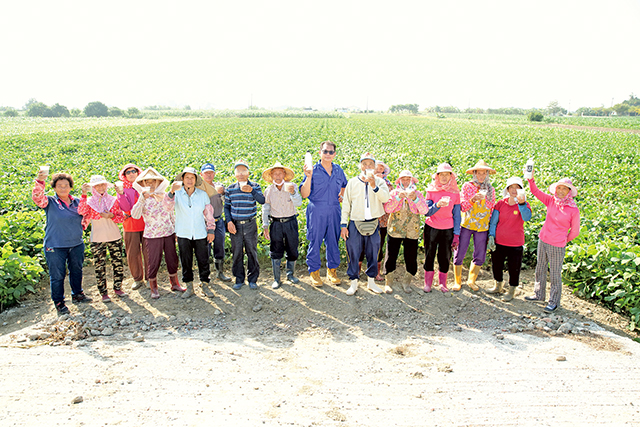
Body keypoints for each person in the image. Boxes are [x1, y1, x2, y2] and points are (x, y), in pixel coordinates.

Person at [32, 169, 92, 315]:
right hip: (55, 245)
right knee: (57, 275)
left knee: (76, 270)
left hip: (76, 243)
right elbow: (37, 198)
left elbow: (87, 214)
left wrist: (81, 227)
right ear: (54, 187)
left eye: (66, 185)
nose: (63, 188)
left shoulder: (78, 201)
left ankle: (78, 294)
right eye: (60, 185)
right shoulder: (50, 202)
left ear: (71, 187)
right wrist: (40, 181)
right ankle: (59, 302)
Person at [524, 172, 580, 312]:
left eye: (564, 189)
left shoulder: (573, 209)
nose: (560, 191)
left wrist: (563, 240)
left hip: (557, 245)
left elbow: (575, 231)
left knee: (555, 273)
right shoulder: (551, 201)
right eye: (559, 188)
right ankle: (539, 294)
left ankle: (554, 301)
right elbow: (535, 192)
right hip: (543, 240)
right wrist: (530, 179)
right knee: (540, 268)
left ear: (569, 192)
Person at [131, 168, 185, 299]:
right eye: (147, 182)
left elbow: (171, 213)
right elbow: (135, 215)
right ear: (142, 184)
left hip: (168, 231)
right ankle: (153, 287)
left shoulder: (165, 195)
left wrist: (175, 229)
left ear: (158, 182)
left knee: (172, 258)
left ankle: (175, 283)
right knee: (153, 261)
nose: (150, 184)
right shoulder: (142, 199)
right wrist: (142, 200)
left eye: (153, 181)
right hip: (152, 234)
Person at [340, 153, 390, 295]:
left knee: (373, 253)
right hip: (355, 223)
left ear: (374, 167)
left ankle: (371, 283)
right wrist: (344, 225)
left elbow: (385, 198)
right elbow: (346, 205)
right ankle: (354, 283)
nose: (367, 167)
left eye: (370, 164)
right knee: (353, 253)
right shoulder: (352, 182)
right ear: (360, 166)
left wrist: (374, 186)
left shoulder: (380, 182)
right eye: (365, 164)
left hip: (374, 223)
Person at [300, 141, 348, 287]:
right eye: (325, 151)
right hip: (316, 210)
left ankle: (331, 270)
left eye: (330, 152)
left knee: (333, 240)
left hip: (334, 209)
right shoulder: (312, 169)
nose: (328, 154)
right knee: (315, 240)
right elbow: (304, 194)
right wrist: (308, 177)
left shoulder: (339, 170)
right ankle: (314, 272)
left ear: (334, 154)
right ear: (320, 152)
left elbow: (344, 185)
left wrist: (342, 195)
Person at [165, 167, 216, 298]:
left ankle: (205, 285)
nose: (189, 180)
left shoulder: (202, 194)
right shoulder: (176, 194)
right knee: (186, 260)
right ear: (182, 179)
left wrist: (211, 229)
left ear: (195, 180)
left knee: (203, 260)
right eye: (187, 177)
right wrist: (171, 191)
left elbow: (208, 213)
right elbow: (167, 207)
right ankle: (189, 287)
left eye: (192, 178)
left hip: (200, 232)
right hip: (183, 232)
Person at [78, 175, 126, 303]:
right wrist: (83, 194)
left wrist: (111, 215)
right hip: (97, 238)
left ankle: (117, 288)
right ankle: (103, 292)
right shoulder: (89, 202)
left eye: (102, 185)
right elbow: (81, 211)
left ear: (106, 186)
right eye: (97, 185)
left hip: (114, 236)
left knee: (118, 263)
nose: (100, 187)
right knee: (99, 266)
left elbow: (121, 218)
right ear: (93, 188)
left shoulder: (113, 200)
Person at [453, 160, 496, 291]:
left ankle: (471, 280)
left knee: (480, 254)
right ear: (475, 173)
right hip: (467, 224)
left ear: (487, 174)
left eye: (484, 173)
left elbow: (491, 209)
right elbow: (462, 207)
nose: (481, 176)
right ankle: (457, 281)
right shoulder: (467, 186)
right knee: (460, 251)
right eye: (479, 173)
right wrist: (473, 200)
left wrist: (491, 230)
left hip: (482, 227)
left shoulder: (490, 189)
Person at [487, 177, 532, 302]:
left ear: (521, 190)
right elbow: (494, 222)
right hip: (499, 242)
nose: (514, 190)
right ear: (507, 189)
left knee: (514, 268)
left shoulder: (524, 205)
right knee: (497, 265)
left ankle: (511, 290)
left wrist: (522, 204)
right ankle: (498, 285)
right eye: (511, 187)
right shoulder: (501, 204)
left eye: (517, 187)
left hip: (515, 243)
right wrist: (491, 235)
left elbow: (527, 217)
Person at [383, 170, 429, 293]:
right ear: (399, 181)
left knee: (411, 256)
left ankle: (407, 282)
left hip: (411, 230)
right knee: (391, 255)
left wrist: (415, 199)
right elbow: (388, 209)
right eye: (403, 179)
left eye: (408, 179)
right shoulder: (394, 193)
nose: (405, 181)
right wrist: (398, 198)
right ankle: (389, 282)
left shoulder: (418, 194)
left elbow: (424, 211)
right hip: (395, 228)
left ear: (412, 181)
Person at [224, 160, 265, 290]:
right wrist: (229, 222)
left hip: (250, 224)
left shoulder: (255, 186)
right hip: (235, 225)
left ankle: (253, 279)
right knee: (237, 253)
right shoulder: (230, 189)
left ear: (248, 173)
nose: (241, 174)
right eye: (238, 171)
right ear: (235, 174)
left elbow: (262, 201)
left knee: (252, 251)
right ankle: (239, 279)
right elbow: (226, 207)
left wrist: (252, 191)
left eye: (243, 171)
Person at [261, 162, 303, 289]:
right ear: (271, 175)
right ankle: (277, 278)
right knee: (276, 249)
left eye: (280, 173)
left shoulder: (292, 186)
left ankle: (290, 274)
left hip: (291, 222)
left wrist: (293, 193)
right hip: (276, 224)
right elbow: (265, 208)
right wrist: (265, 225)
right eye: (275, 173)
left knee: (292, 247)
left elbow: (299, 203)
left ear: (284, 174)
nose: (277, 175)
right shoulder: (268, 190)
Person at [423, 163, 461, 293]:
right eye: (441, 174)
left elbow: (457, 215)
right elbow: (427, 212)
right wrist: (437, 205)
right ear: (437, 176)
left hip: (448, 229)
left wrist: (456, 234)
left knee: (445, 256)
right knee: (429, 253)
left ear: (451, 176)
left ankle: (442, 283)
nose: (444, 177)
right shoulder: (431, 190)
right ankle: (427, 283)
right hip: (431, 227)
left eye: (447, 174)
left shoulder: (455, 193)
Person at [115, 163, 148, 290]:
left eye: (133, 171)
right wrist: (122, 193)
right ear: (124, 176)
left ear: (138, 172)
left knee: (148, 253)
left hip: (146, 224)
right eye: (127, 172)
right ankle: (138, 279)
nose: (131, 174)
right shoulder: (122, 189)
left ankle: (150, 278)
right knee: (133, 253)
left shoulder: (144, 186)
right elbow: (126, 208)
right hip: (130, 226)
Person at [199, 163, 232, 282]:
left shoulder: (219, 186)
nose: (208, 175)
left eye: (211, 172)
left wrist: (222, 193)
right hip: (203, 223)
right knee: (204, 249)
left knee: (220, 247)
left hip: (218, 221)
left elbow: (227, 202)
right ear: (201, 174)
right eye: (206, 173)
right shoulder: (198, 189)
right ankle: (205, 275)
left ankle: (219, 273)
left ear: (214, 174)